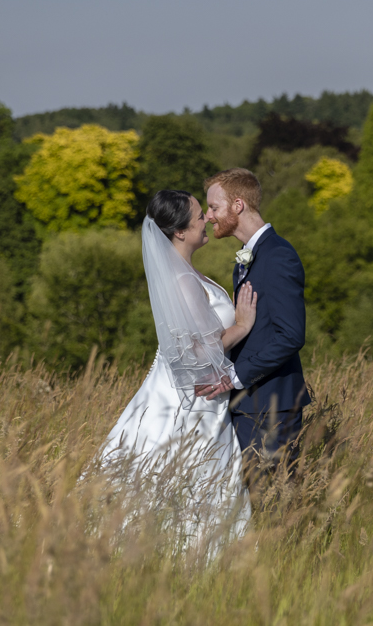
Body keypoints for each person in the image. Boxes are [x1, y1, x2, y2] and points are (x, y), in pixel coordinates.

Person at [99, 189, 254, 549]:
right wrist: (242, 327)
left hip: (201, 394)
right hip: (193, 398)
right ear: (180, 232)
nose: (207, 220)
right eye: (200, 216)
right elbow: (195, 351)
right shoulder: (183, 282)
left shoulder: (185, 274)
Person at [196, 168, 309, 480]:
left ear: (238, 205)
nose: (208, 216)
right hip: (248, 405)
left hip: (271, 406)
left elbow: (291, 336)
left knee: (274, 504)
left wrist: (235, 377)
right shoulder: (245, 259)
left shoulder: (278, 255)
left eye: (214, 208)